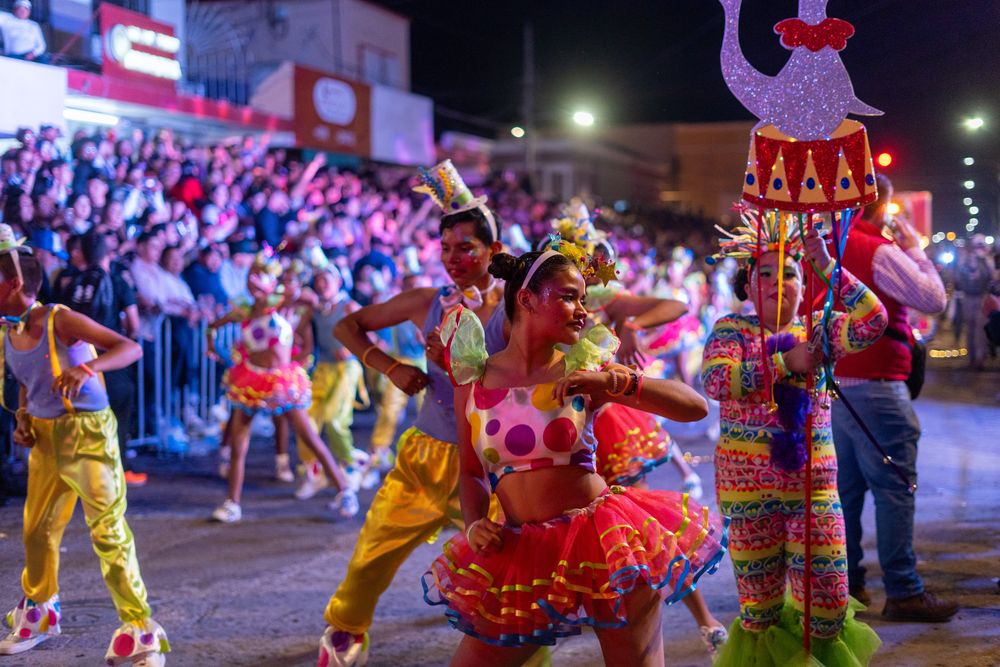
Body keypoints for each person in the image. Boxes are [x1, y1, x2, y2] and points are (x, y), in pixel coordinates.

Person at [422, 246, 727, 666]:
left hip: (604, 545)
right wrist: (475, 523)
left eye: (582, 299)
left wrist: (618, 383)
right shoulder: (474, 381)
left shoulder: (583, 372)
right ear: (526, 299)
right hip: (523, 552)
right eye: (569, 297)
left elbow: (695, 407)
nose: (582, 310)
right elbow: (472, 472)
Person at [317, 162, 508, 666]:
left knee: (507, 569)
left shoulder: (518, 308)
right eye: (445, 248)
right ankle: (347, 626)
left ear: (494, 250)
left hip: (494, 463)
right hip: (427, 456)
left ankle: (518, 651)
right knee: (372, 550)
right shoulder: (429, 302)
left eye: (465, 247)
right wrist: (390, 366)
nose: (452, 259)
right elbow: (347, 325)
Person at [702, 210, 885, 666]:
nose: (777, 283)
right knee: (759, 613)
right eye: (764, 274)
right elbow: (717, 381)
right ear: (748, 285)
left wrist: (827, 264)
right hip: (748, 496)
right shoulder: (731, 329)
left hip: (813, 491)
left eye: (789, 273)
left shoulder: (820, 330)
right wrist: (786, 363)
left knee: (828, 606)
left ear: (804, 285)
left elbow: (873, 320)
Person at [0, 226, 168, 665]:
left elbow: (129, 347)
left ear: (13, 283)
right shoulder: (7, 331)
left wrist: (89, 368)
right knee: (37, 531)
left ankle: (139, 629)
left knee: (107, 531)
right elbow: (28, 380)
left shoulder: (58, 318)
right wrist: (23, 419)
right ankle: (39, 612)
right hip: (45, 438)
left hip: (88, 434)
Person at [830, 175, 958, 622]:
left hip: (834, 388)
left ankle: (847, 585)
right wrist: (915, 250)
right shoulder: (876, 249)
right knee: (895, 489)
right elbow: (933, 298)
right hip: (877, 385)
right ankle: (903, 590)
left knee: (845, 492)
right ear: (879, 206)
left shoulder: (824, 248)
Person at [206, 248, 355, 524]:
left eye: (260, 275)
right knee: (239, 445)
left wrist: (284, 290)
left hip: (282, 380)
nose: (254, 280)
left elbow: (310, 298)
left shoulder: (286, 304)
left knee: (309, 436)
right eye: (251, 275)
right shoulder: (244, 310)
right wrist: (212, 348)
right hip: (251, 379)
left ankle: (345, 491)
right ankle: (232, 503)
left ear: (272, 280)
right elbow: (212, 326)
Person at [63, 231, 145, 485]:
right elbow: (134, 324)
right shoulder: (118, 282)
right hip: (111, 359)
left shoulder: (71, 284)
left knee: (83, 418)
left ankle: (83, 472)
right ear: (108, 253)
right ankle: (119, 471)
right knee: (118, 416)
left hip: (77, 360)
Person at [954, 234, 993, 370]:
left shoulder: (986, 261)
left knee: (980, 330)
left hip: (981, 297)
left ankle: (980, 358)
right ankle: (972, 358)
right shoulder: (965, 259)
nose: (978, 249)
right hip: (968, 297)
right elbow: (958, 276)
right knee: (970, 329)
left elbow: (991, 276)